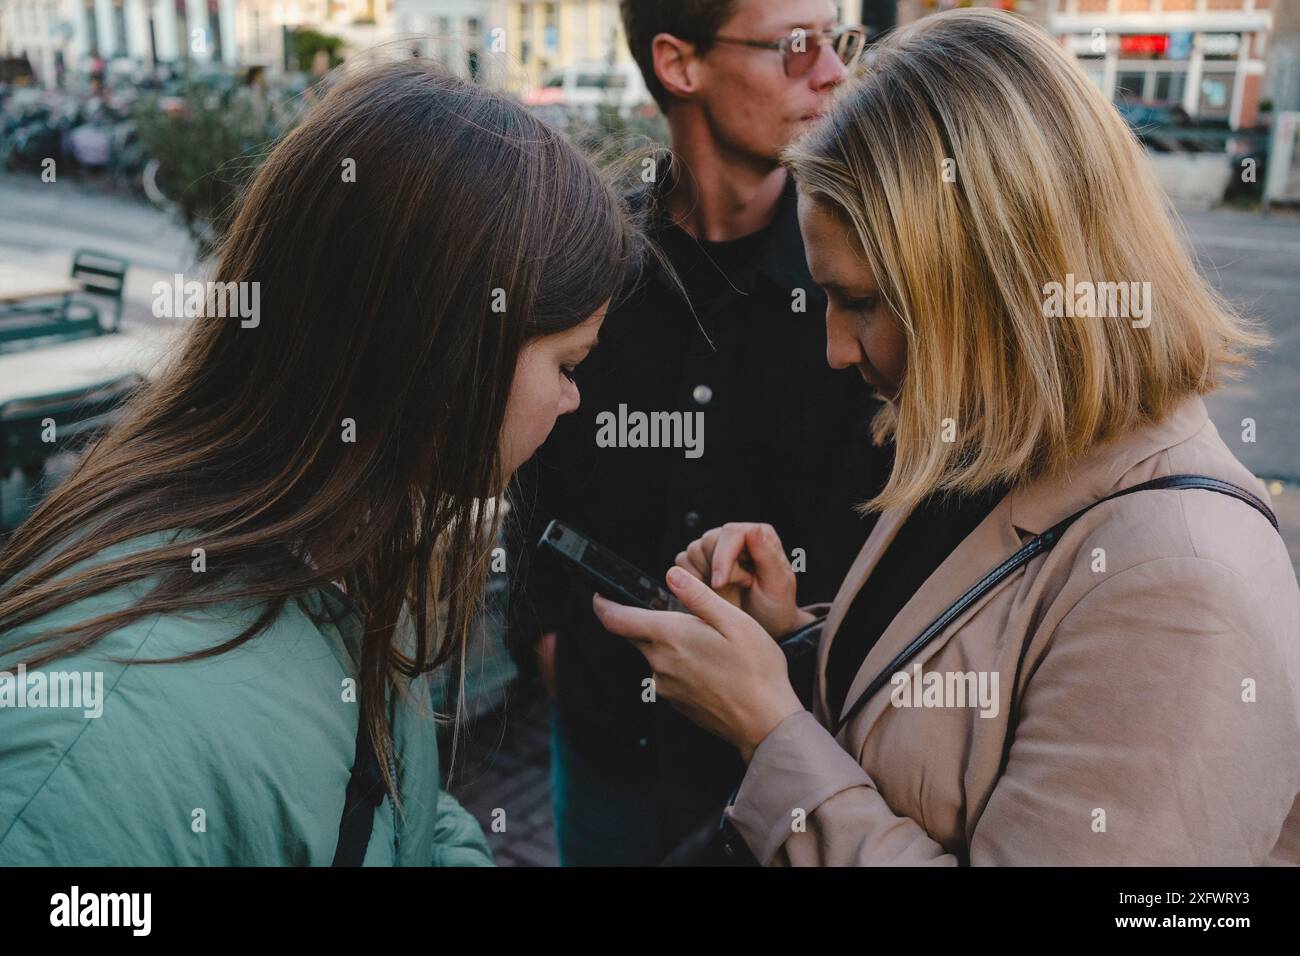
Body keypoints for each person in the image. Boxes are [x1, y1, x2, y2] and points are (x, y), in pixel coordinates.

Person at [594, 9, 1300, 865]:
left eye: (860, 301)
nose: (833, 348)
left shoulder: (1183, 587)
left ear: (996, 285)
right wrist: (790, 638)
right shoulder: (997, 448)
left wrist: (769, 730)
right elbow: (959, 703)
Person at [0, 59, 640, 865]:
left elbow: (396, 811)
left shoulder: (327, 545)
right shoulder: (92, 760)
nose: (572, 402)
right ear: (445, 350)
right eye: (568, 366)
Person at [507, 0, 891, 865]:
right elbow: (527, 470)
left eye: (837, 41)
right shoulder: (593, 258)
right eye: (795, 46)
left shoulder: (868, 278)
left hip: (793, 763)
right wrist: (543, 640)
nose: (831, 71)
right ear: (680, 64)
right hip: (604, 742)